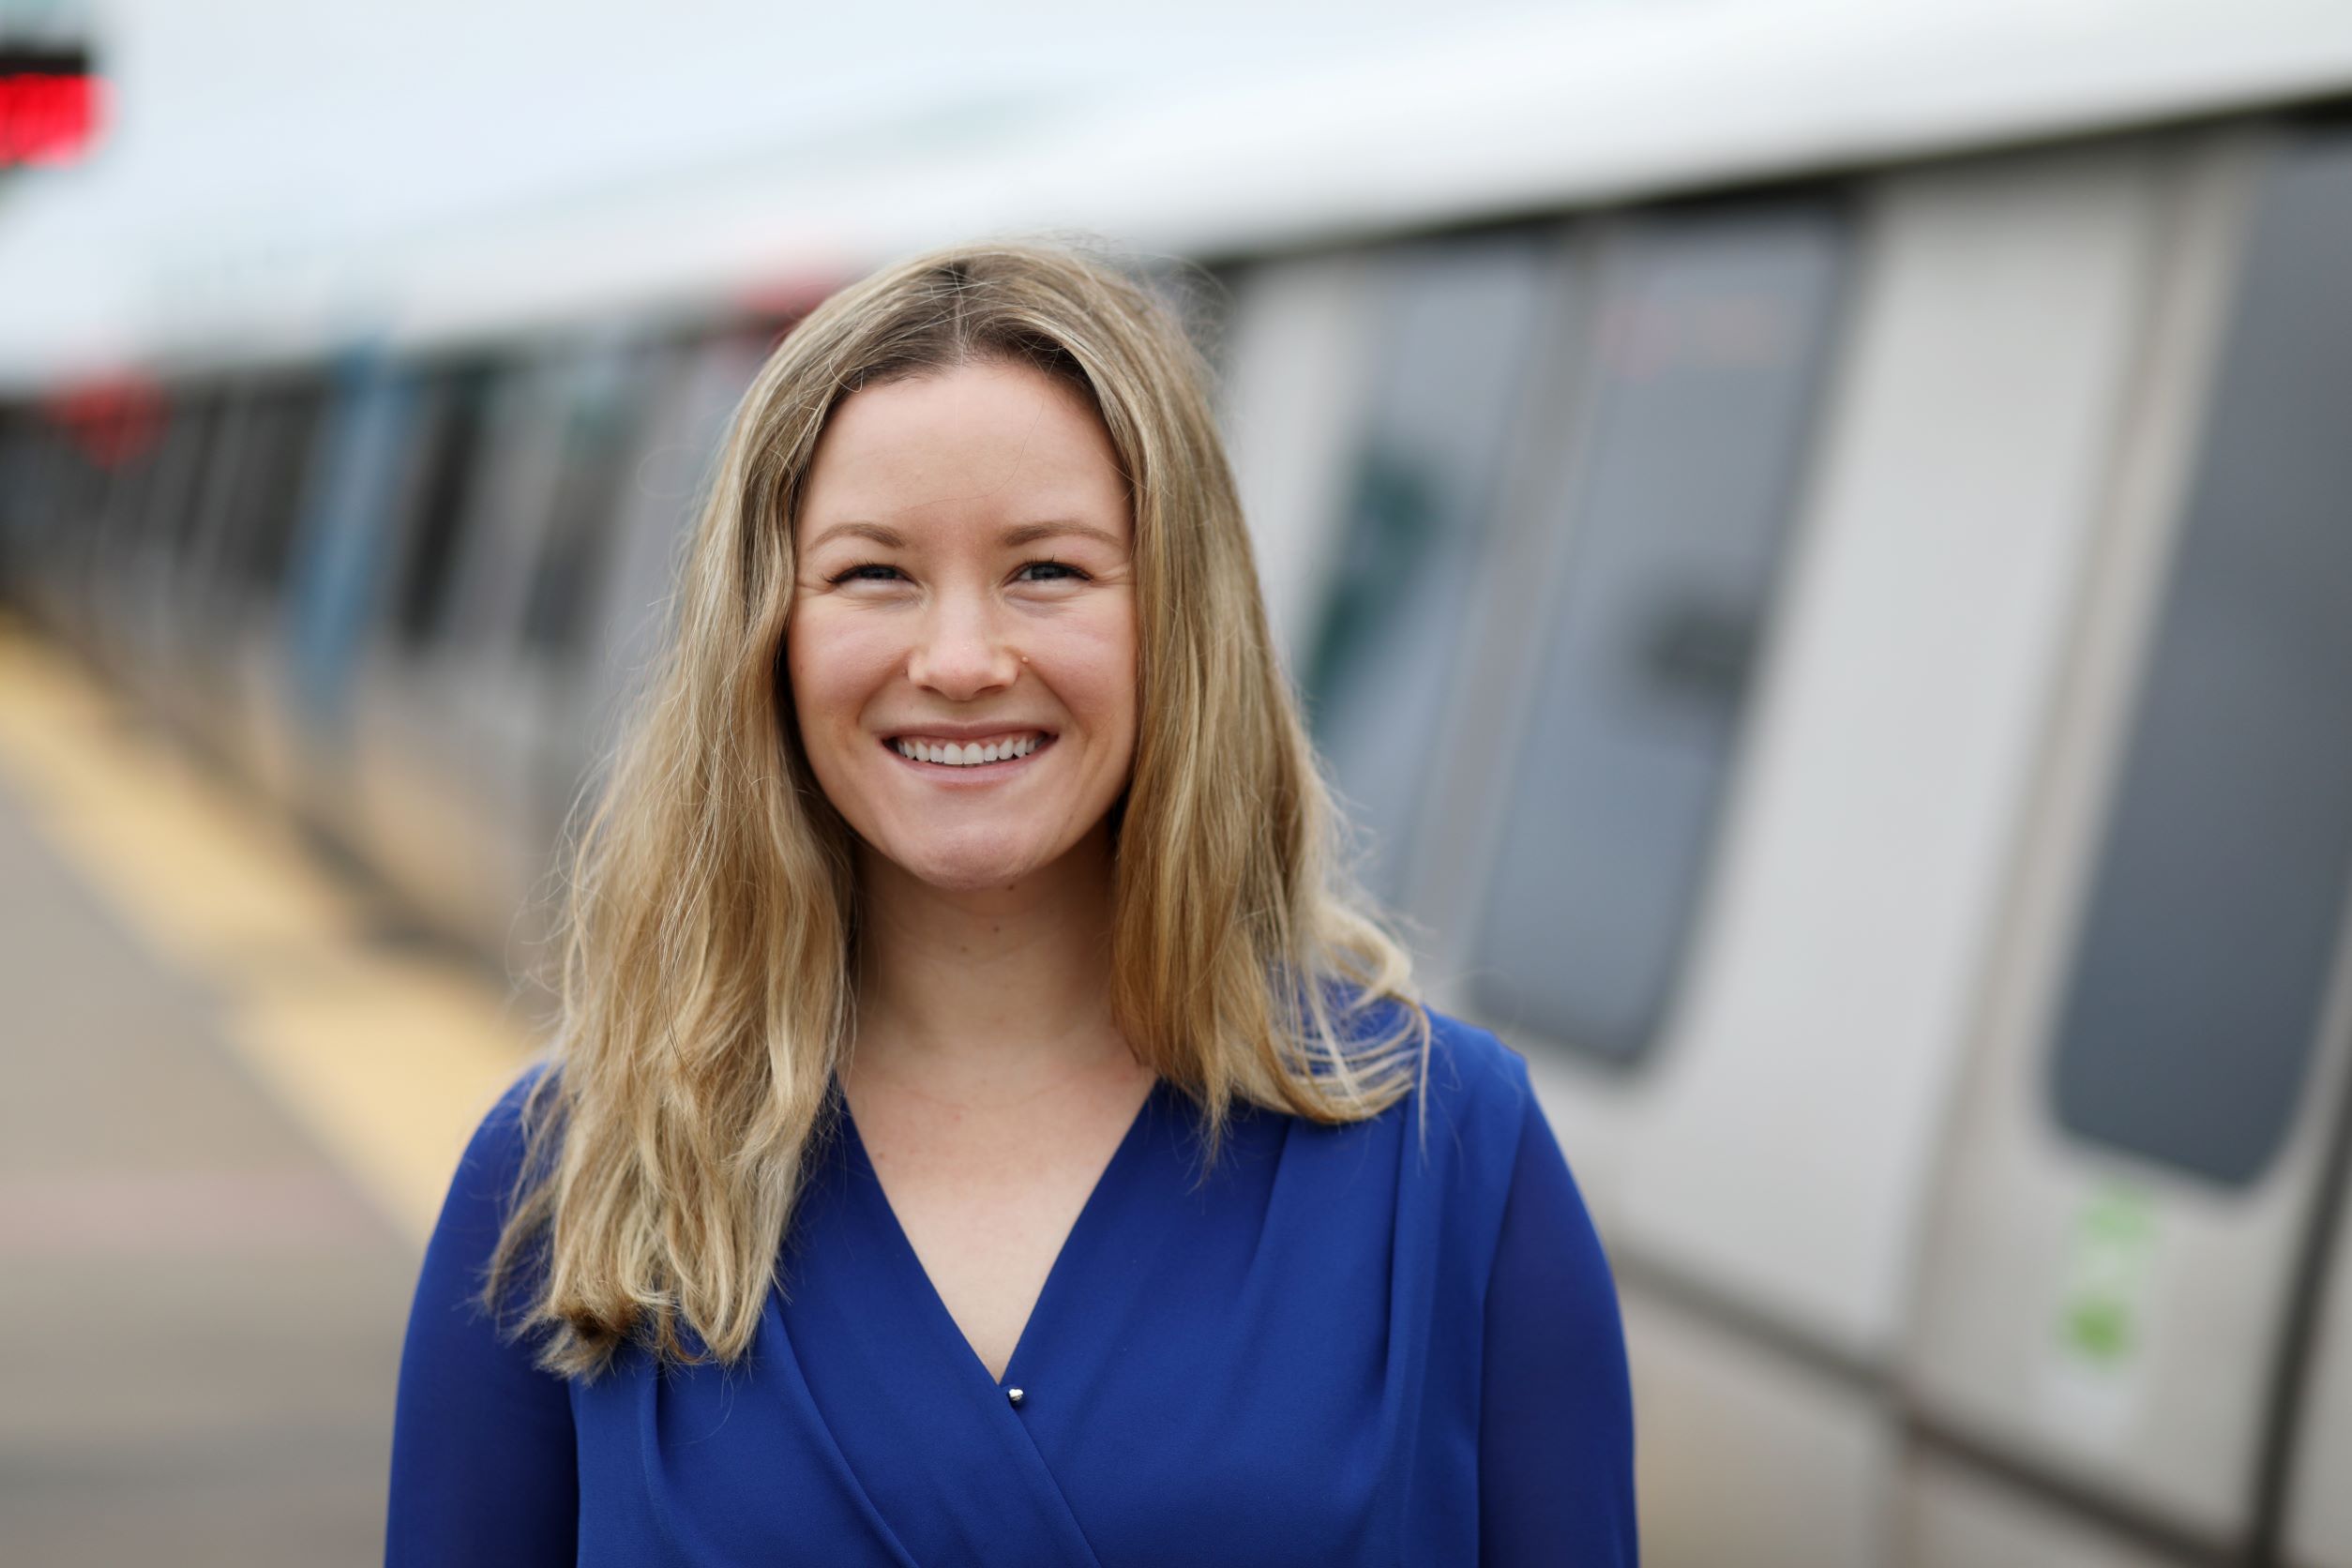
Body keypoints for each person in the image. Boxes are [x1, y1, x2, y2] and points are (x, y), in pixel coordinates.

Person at [385, 239, 1637, 1565]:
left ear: (1180, 624)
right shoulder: (567, 1178)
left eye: (1047, 571)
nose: (964, 660)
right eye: (875, 574)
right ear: (768, 632)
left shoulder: (1453, 1161)